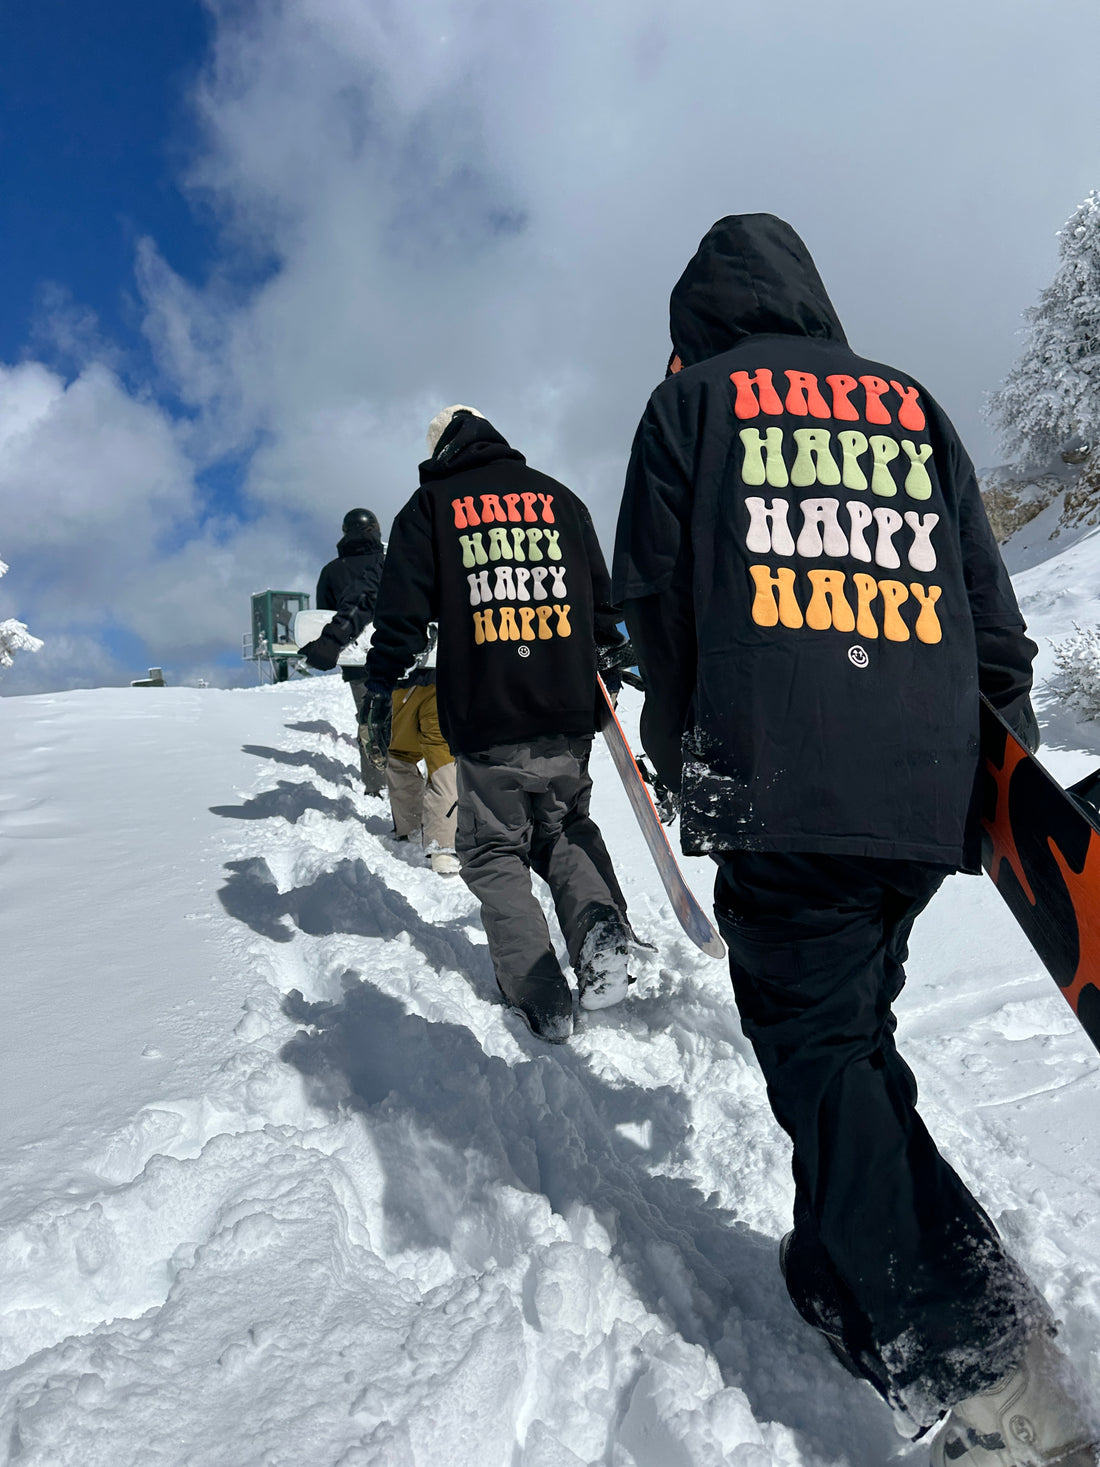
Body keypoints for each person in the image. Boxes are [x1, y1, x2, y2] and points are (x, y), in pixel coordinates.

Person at [613, 214, 1097, 1464]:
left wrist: (692, 769)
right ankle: (835, 1273)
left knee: (823, 1056)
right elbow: (989, 619)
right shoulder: (908, 406)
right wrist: (999, 779)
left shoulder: (686, 411)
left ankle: (985, 1362)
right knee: (849, 1033)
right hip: (923, 801)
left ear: (694, 326)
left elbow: (657, 615)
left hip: (781, 791)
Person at [363, 405, 641, 1042]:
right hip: (569, 708)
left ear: (441, 452)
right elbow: (604, 608)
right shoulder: (560, 498)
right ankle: (600, 926)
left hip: (490, 712)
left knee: (491, 848)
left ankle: (538, 990)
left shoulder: (432, 506)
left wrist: (381, 683)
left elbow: (401, 613)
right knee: (565, 825)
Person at [299, 508, 386, 795]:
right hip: (395, 654)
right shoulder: (391, 563)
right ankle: (404, 784)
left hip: (355, 660)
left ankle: (375, 785)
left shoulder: (331, 571)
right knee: (404, 720)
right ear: (375, 529)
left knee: (368, 719)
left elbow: (323, 617)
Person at [386, 626, 461, 876]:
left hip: (403, 680)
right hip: (446, 677)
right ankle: (444, 846)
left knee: (400, 755)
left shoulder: (394, 587)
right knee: (442, 757)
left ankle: (411, 826)